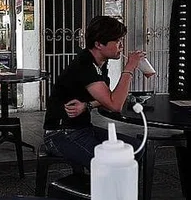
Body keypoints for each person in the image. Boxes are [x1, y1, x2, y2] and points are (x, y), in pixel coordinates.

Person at [42, 16, 146, 168]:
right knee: (112, 164)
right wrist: (129, 68)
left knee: (136, 148)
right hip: (60, 134)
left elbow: (107, 97)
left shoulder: (100, 64)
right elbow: (115, 105)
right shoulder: (85, 65)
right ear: (98, 44)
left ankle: (122, 188)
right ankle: (101, 190)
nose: (121, 46)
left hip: (82, 129)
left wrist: (87, 106)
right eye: (117, 41)